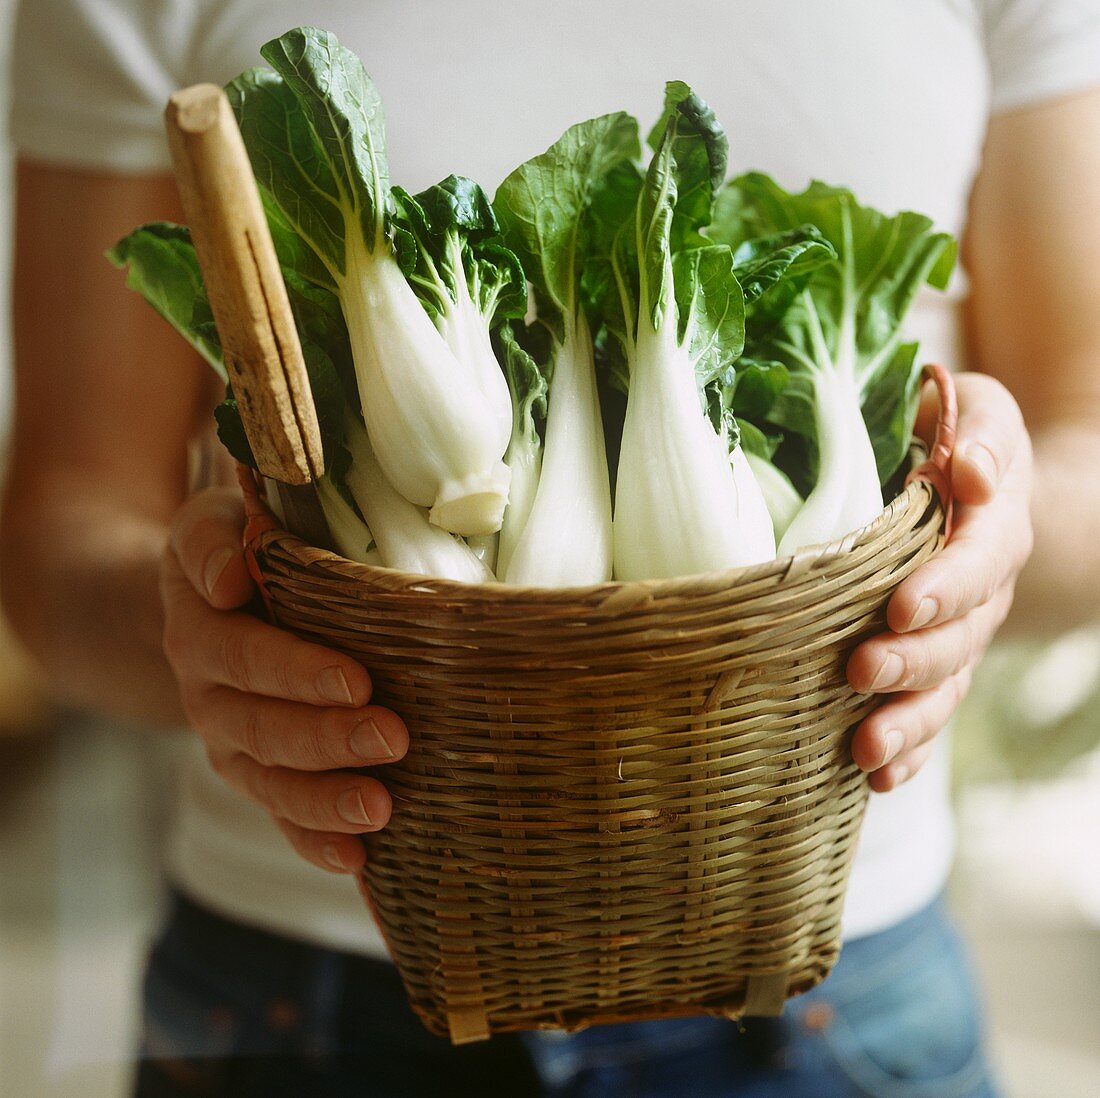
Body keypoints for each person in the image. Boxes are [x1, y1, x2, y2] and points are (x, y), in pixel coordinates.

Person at [2, 1, 1098, 1095]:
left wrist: (989, 518)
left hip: (831, 984)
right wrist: (194, 626)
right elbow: (62, 519)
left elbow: (1082, 447)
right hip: (307, 995)